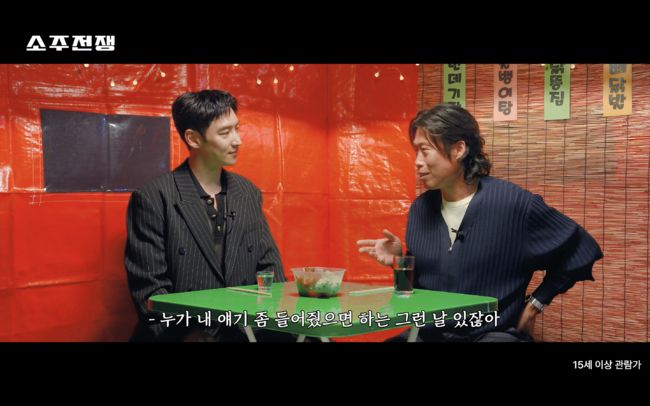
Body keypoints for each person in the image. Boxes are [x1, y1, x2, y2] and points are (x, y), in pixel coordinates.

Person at [357, 103, 603, 342]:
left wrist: (535, 305)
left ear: (458, 149)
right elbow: (413, 293)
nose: (417, 162)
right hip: (429, 333)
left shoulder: (513, 203)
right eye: (416, 151)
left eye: (425, 150)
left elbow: (581, 250)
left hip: (491, 333)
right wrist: (399, 261)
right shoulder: (420, 209)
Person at [125, 89, 288, 342]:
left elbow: (271, 271)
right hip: (183, 333)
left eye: (237, 129)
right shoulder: (153, 197)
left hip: (242, 329)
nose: (237, 140)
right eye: (225, 132)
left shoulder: (247, 193)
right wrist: (187, 334)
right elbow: (150, 290)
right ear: (193, 138)